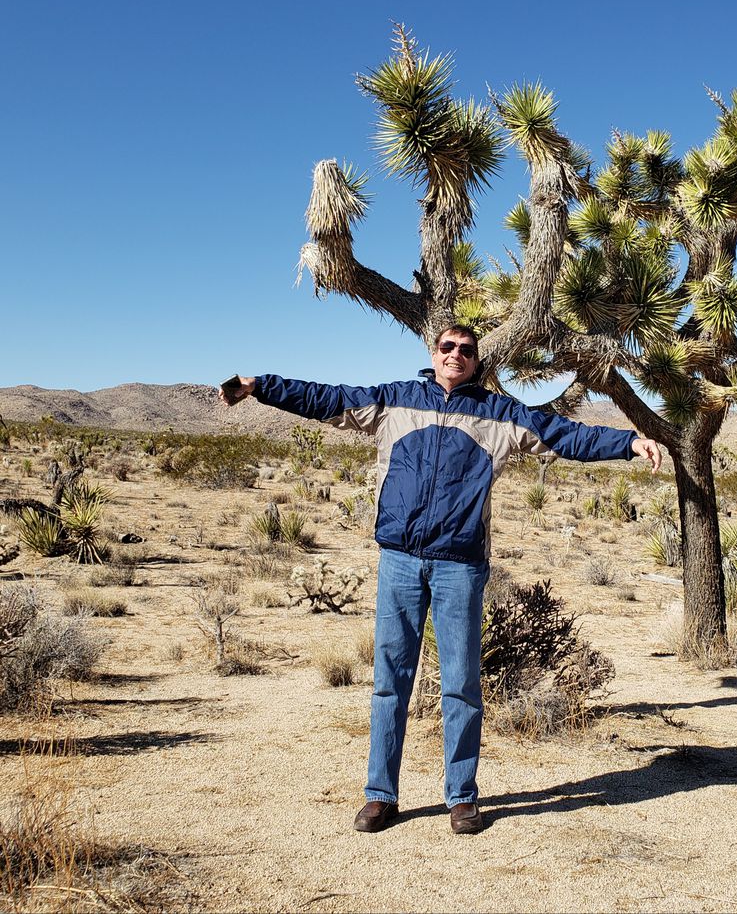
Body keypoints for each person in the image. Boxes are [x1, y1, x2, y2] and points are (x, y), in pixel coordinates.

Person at [219, 325, 661, 835]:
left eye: (466, 350)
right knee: (390, 682)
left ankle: (462, 796)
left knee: (462, 685)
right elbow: (327, 399)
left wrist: (628, 443)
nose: (456, 355)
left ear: (476, 361)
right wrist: (262, 386)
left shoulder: (501, 414)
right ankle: (380, 795)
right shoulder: (394, 401)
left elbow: (566, 434)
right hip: (401, 560)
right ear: (434, 354)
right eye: (447, 348)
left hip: (461, 565)